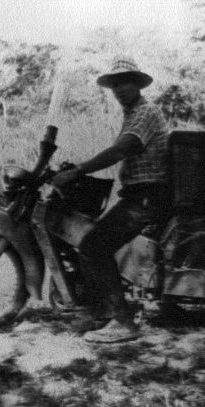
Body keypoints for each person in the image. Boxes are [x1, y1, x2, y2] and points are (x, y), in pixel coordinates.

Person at [52, 56, 170, 343]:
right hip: (138, 195)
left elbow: (120, 150)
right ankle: (101, 310)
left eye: (124, 82)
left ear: (137, 84)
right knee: (93, 236)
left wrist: (79, 170)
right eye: (115, 84)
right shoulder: (133, 113)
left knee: (93, 246)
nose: (119, 89)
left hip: (146, 198)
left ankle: (123, 322)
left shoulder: (144, 113)